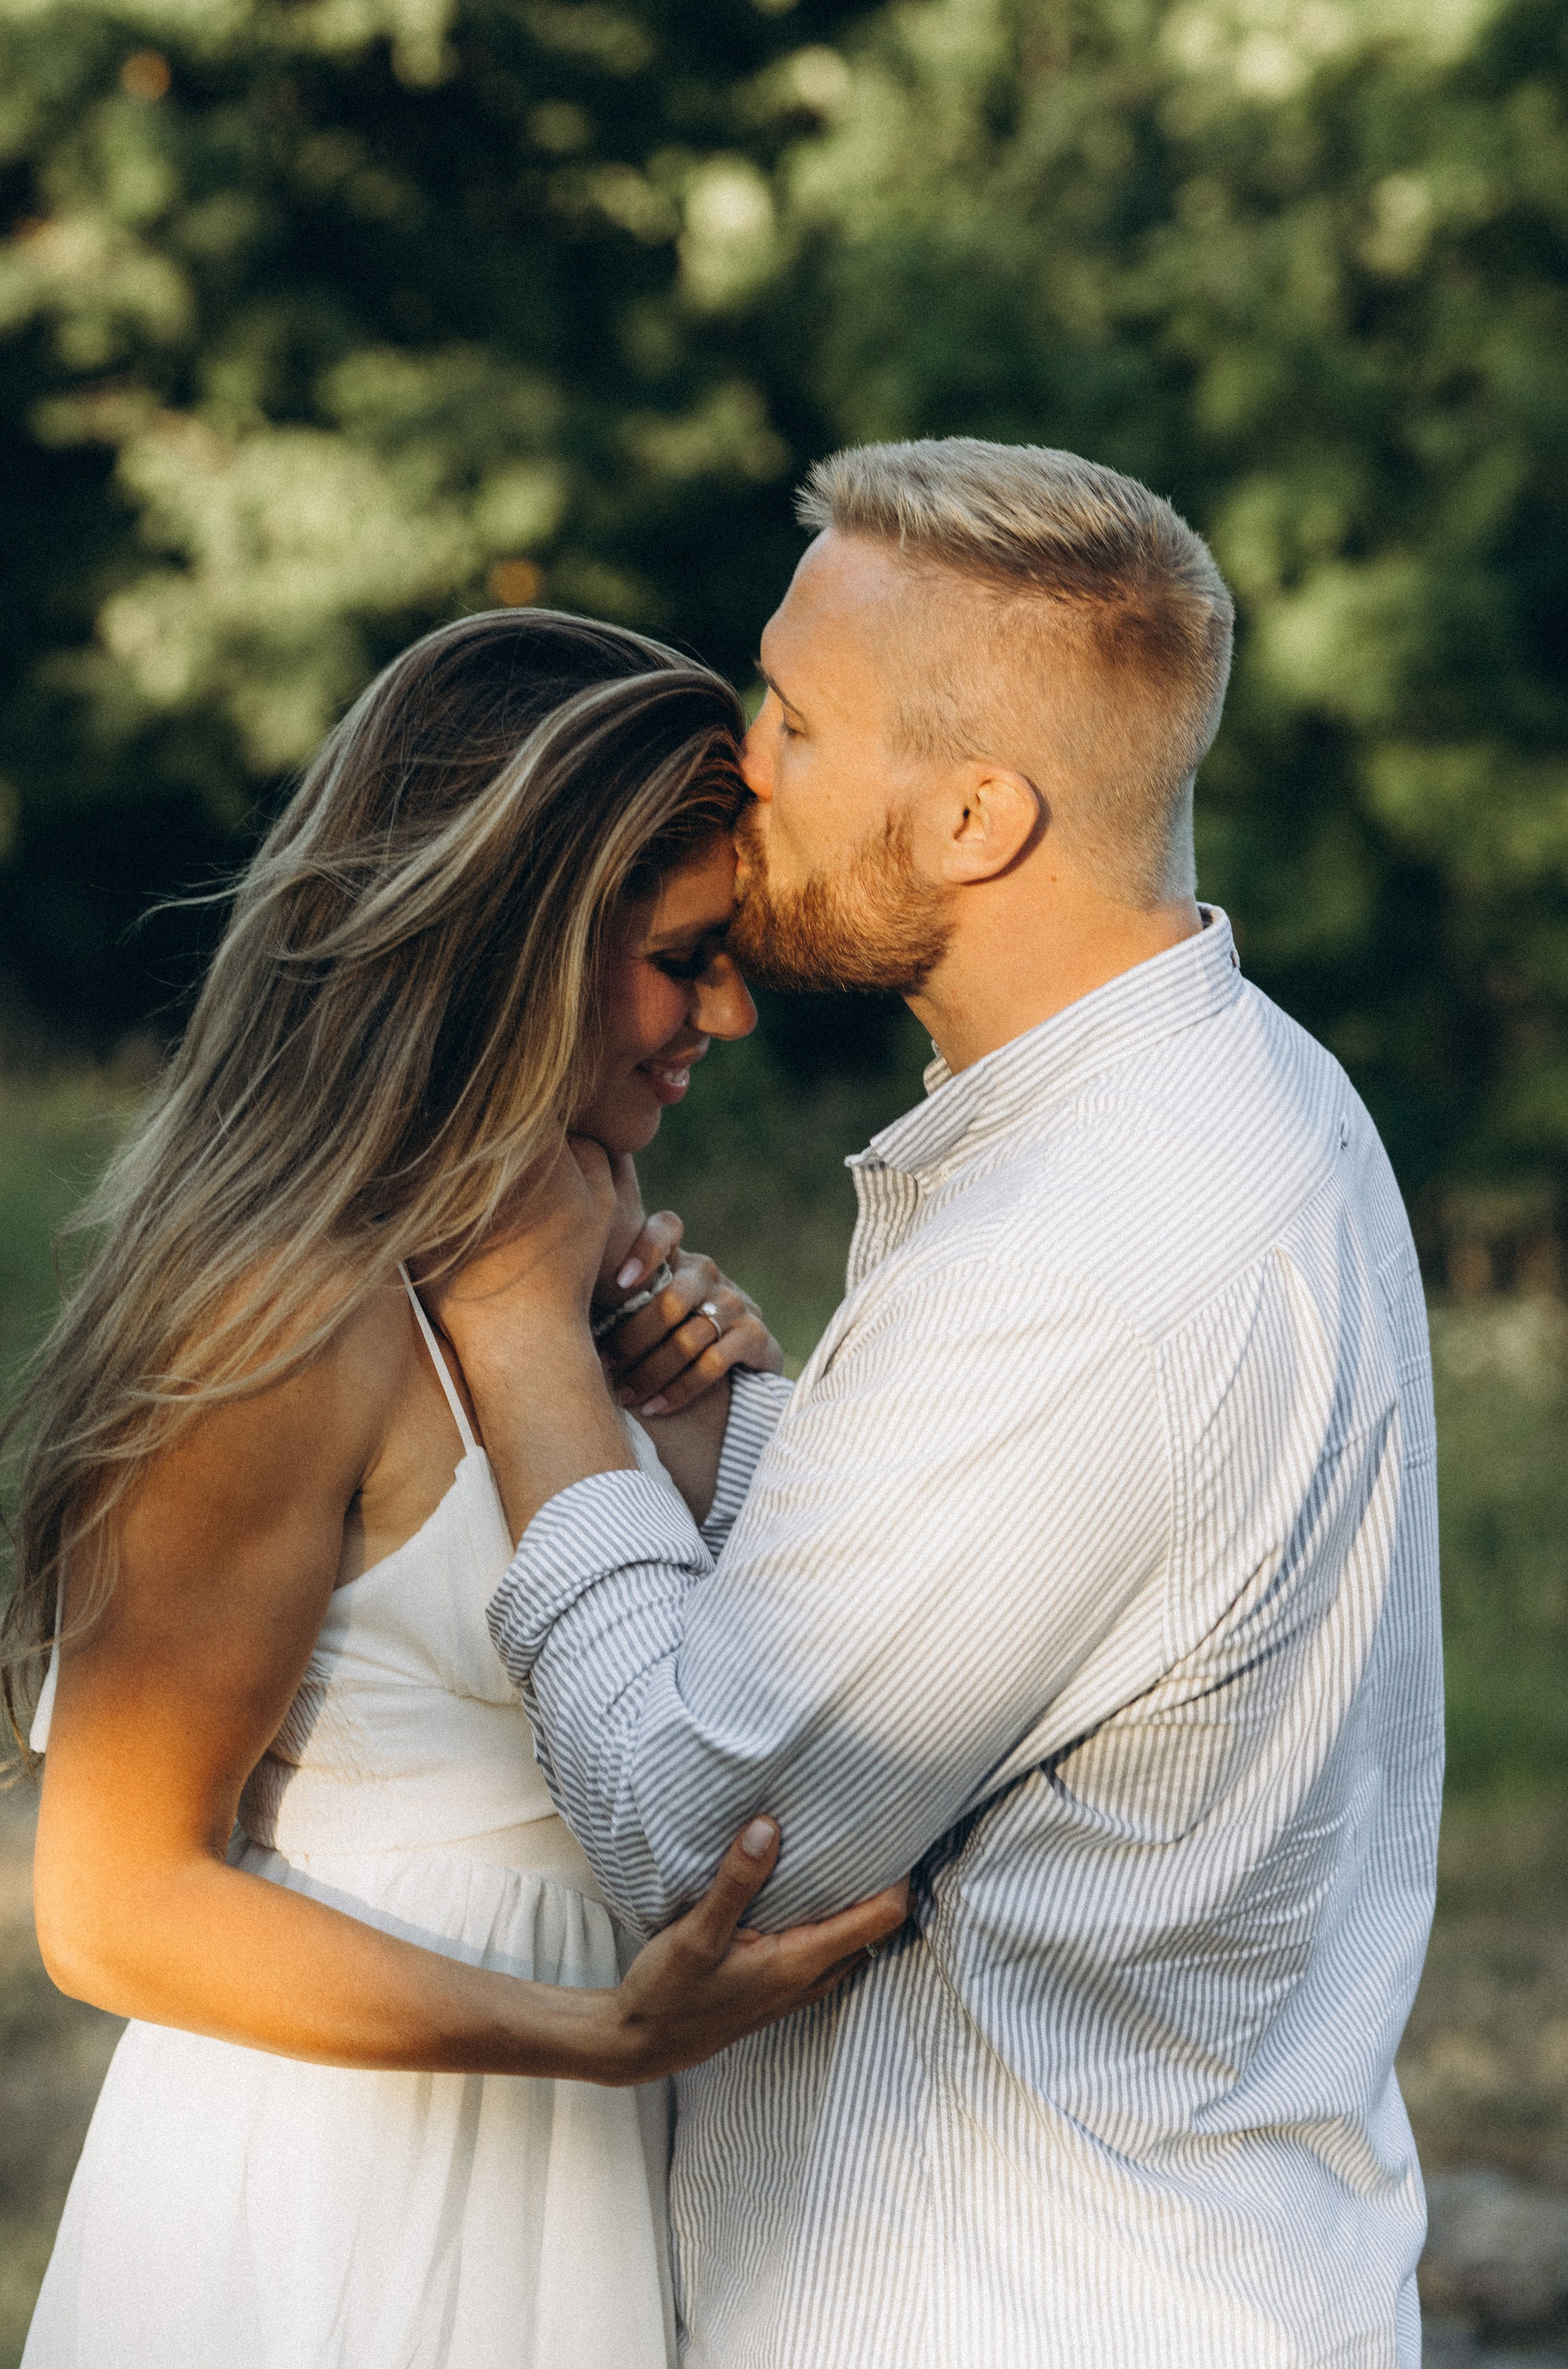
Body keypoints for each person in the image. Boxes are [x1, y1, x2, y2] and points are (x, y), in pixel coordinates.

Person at [438, 438, 1445, 2367]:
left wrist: (520, 1346)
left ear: (978, 814)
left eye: (800, 726)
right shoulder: (1255, 1092)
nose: (745, 765)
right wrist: (730, 1448)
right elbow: (1057, 1599)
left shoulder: (1072, 1263)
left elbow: (687, 1838)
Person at [0, 610, 909, 2369]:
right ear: (511, 952)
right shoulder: (280, 1320)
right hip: (342, 2215)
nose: (726, 1009)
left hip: (603, 2190)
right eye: (680, 956)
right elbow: (110, 1905)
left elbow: (718, 1745)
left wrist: (731, 1437)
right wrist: (591, 2037)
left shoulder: (597, 1295)